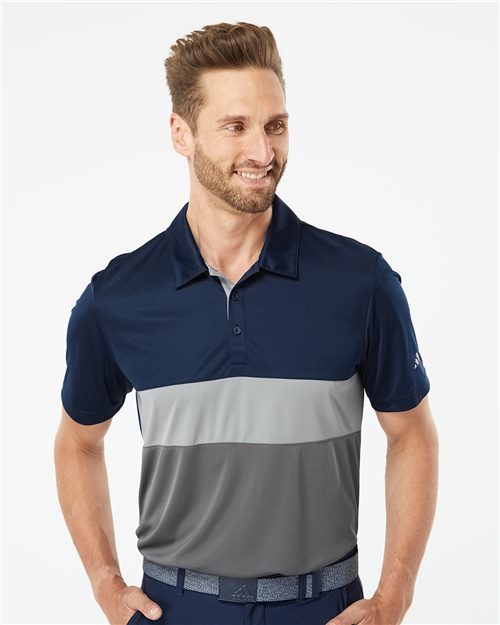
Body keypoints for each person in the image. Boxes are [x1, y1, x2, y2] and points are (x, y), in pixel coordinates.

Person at [54, 21, 439, 625]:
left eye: (275, 125)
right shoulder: (118, 298)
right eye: (235, 126)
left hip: (324, 608)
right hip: (174, 608)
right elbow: (78, 442)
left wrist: (396, 593)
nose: (263, 152)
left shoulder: (361, 283)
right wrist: (105, 581)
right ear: (180, 133)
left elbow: (412, 434)